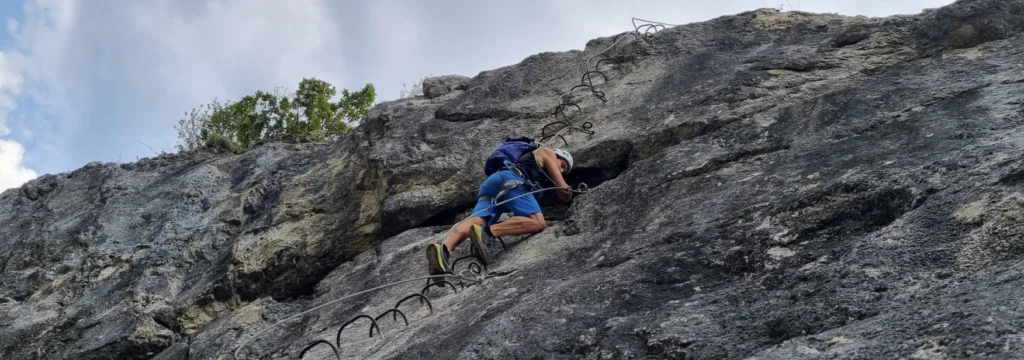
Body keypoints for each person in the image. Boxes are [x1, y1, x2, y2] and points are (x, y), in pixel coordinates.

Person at [426, 145, 575, 275]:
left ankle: (443, 250)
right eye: (562, 165)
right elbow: (563, 190)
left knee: (478, 219)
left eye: (564, 170)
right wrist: (570, 192)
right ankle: (487, 233)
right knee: (537, 222)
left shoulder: (537, 169)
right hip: (512, 181)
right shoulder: (546, 152)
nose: (561, 170)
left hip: (494, 182)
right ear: (557, 156)